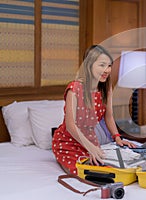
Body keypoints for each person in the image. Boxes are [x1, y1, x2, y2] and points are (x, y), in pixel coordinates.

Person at [52, 45, 136, 174]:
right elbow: (70, 125)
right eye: (102, 65)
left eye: (109, 66)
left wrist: (117, 137)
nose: (107, 70)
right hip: (68, 142)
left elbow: (109, 116)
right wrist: (90, 147)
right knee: (88, 174)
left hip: (91, 141)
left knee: (116, 170)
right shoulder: (74, 89)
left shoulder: (106, 89)